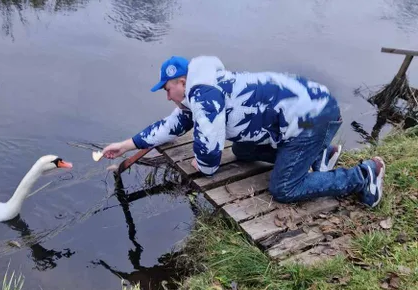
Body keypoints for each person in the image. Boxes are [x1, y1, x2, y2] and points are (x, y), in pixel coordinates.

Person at [103, 55, 385, 207]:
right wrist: (125, 145)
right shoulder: (204, 90)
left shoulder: (203, 95)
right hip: (311, 113)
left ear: (182, 81)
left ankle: (362, 176)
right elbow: (171, 126)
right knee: (241, 149)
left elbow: (210, 156)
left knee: (283, 188)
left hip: (315, 120)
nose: (167, 97)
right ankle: (318, 156)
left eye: (167, 90)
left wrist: (202, 164)